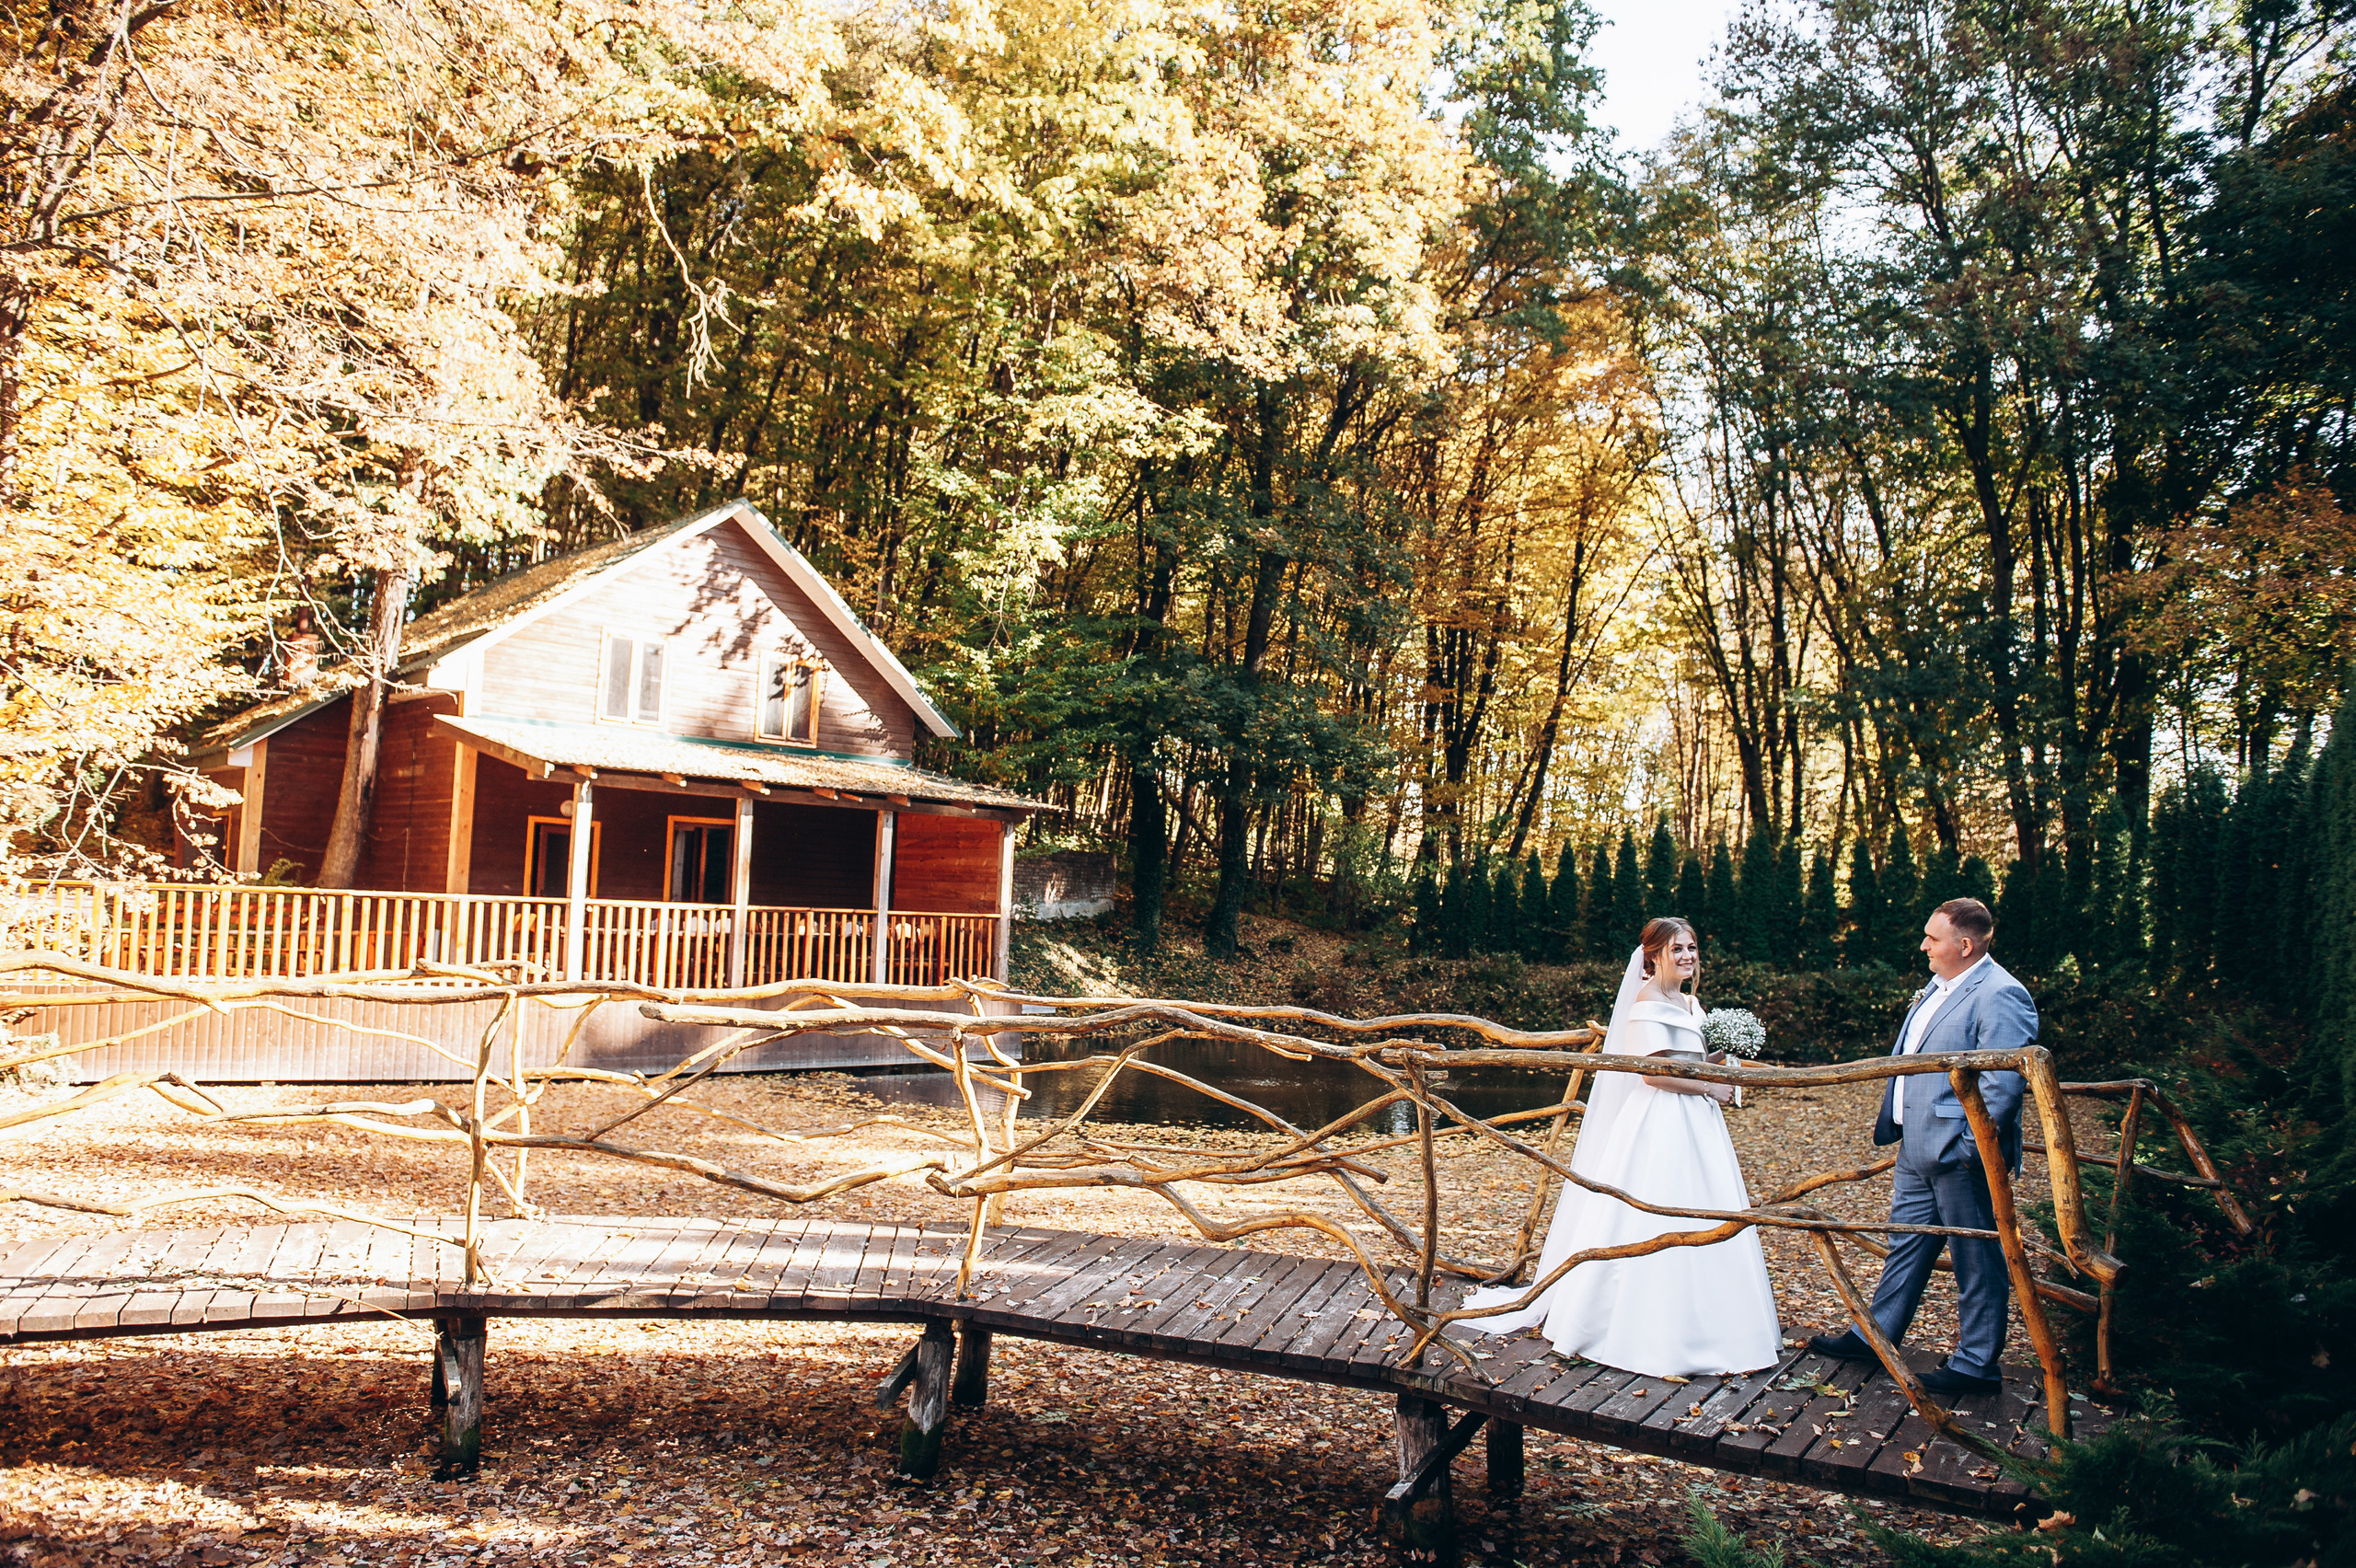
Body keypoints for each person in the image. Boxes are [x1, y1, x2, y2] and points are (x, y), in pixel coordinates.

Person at [1460, 917, 1781, 1377]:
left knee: (1707, 1212)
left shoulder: (1691, 1003)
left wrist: (1723, 1058)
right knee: (1655, 1211)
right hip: (1660, 1122)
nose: (1687, 956)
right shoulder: (1646, 1005)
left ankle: (1713, 1326)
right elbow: (1653, 1074)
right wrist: (1710, 1088)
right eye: (1677, 949)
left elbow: (1688, 1061)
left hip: (1699, 1124)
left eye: (1691, 947)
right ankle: (1641, 1330)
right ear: (1653, 956)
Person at [1806, 897, 2034, 1395]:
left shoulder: (2000, 993)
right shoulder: (1938, 986)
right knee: (1906, 1245)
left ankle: (1976, 1366)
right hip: (1915, 1147)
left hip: (1959, 1154)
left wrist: (1968, 1149)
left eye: (1933, 937)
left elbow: (2003, 1084)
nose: (1924, 945)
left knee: (1976, 1258)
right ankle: (1875, 1338)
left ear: (1965, 945)